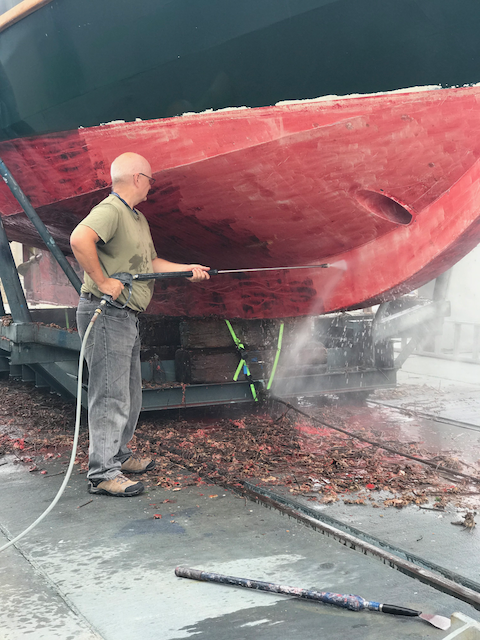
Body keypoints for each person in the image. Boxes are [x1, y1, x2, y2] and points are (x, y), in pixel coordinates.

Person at [70, 152, 210, 497]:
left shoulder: (137, 218)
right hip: (105, 314)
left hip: (126, 316)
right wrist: (103, 281)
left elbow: (150, 262)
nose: (151, 185)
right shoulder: (111, 210)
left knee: (130, 394)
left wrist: (186, 269)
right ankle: (103, 473)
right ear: (136, 178)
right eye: (150, 179)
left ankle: (118, 455)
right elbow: (79, 239)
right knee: (110, 395)